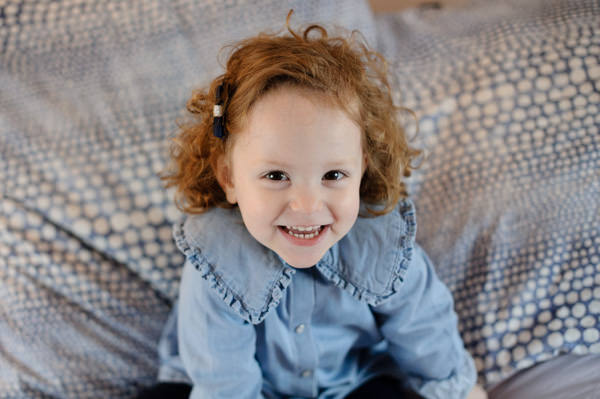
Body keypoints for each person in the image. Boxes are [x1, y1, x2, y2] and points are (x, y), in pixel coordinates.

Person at [139, 11, 487, 399]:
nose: (306, 206)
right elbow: (224, 381)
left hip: (354, 380)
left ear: (362, 169)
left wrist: (457, 388)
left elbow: (425, 329)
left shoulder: (385, 245)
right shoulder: (217, 261)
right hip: (236, 385)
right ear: (229, 177)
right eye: (276, 177)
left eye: (333, 176)